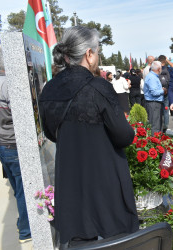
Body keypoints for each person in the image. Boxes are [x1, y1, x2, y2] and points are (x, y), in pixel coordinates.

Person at [38, 26, 139, 247]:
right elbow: (124, 136)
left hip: (70, 181)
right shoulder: (99, 87)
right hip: (104, 181)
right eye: (98, 51)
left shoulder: (49, 89)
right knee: (113, 240)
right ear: (89, 54)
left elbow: (49, 133)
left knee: (79, 240)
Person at [0, 45, 31, 244]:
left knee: (17, 188)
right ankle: (26, 230)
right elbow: (20, 116)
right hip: (13, 144)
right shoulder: (9, 84)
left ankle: (22, 221)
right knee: (23, 190)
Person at [144, 61, 166, 135]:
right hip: (154, 103)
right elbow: (154, 92)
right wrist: (163, 90)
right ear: (159, 69)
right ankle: (155, 142)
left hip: (155, 103)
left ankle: (157, 141)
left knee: (158, 124)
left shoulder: (153, 76)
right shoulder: (152, 77)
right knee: (155, 125)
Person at [158, 55, 171, 133]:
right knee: (166, 109)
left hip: (158, 92)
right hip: (166, 91)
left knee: (159, 109)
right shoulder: (168, 69)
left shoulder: (156, 69)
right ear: (165, 61)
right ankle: (165, 126)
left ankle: (160, 126)